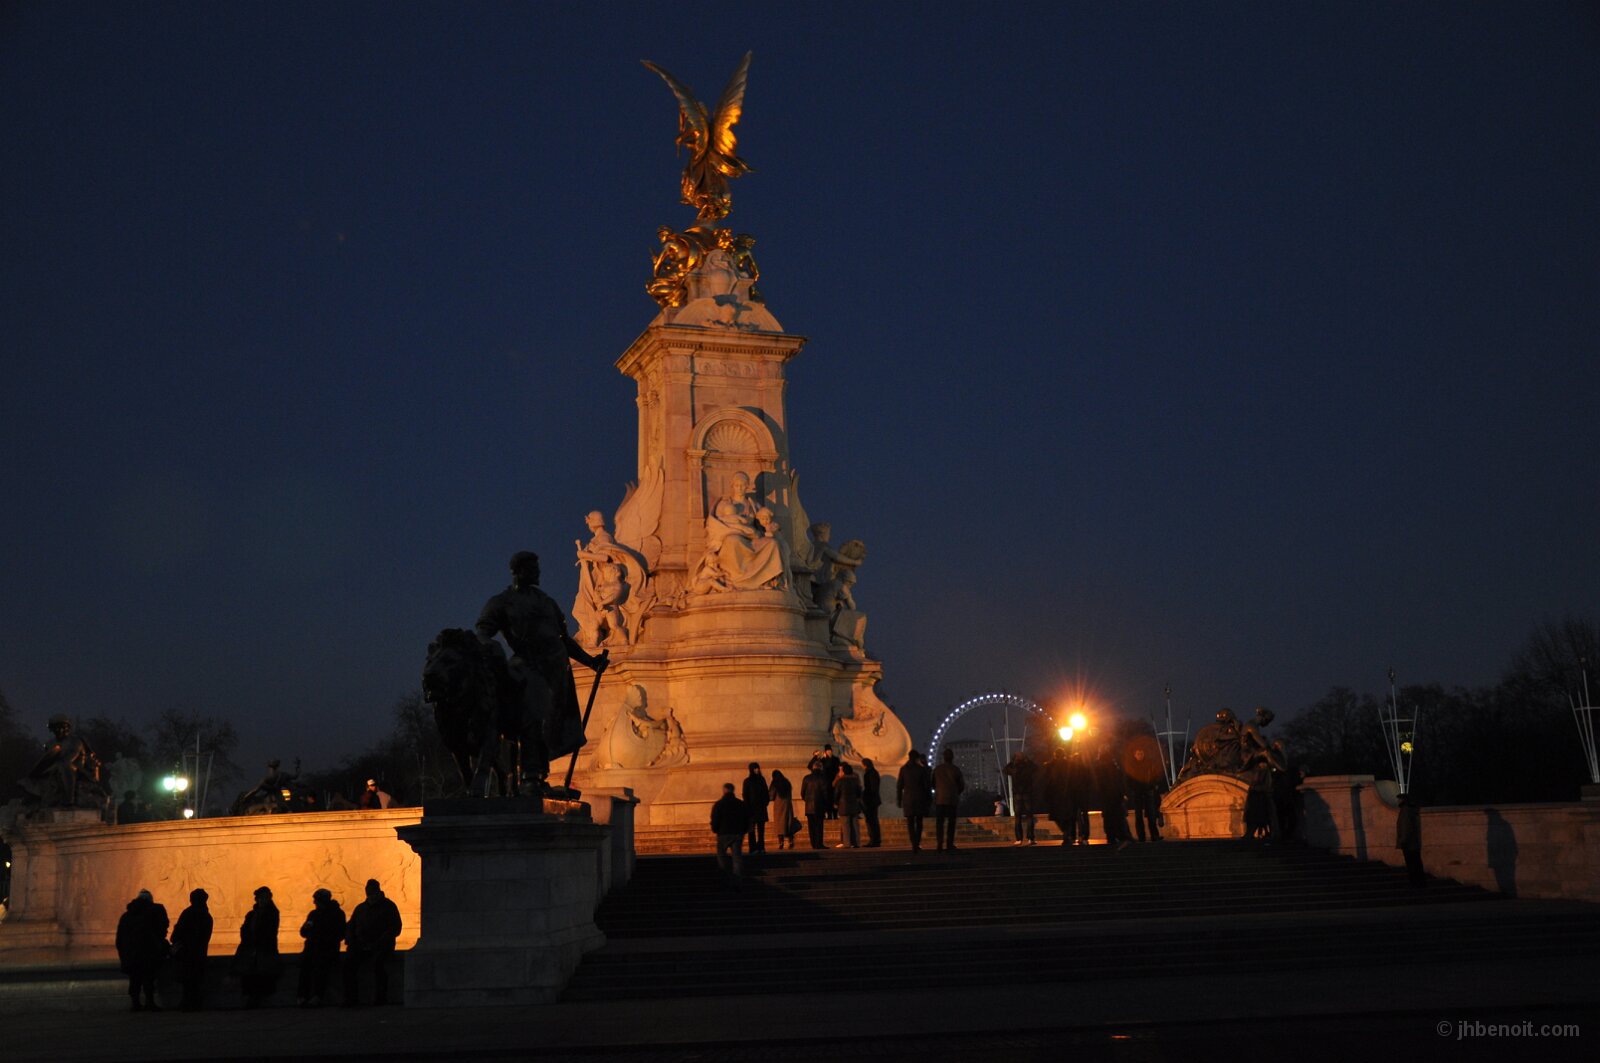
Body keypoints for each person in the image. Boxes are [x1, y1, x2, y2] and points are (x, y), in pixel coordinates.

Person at [476, 551, 609, 788]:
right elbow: (483, 633)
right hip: (528, 666)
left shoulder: (547, 602)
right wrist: (492, 651)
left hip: (557, 672)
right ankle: (529, 775)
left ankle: (538, 776)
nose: (538, 573)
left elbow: (564, 640)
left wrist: (591, 662)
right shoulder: (502, 602)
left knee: (551, 726)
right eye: (533, 569)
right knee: (533, 717)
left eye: (537, 568)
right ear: (518, 571)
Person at [344, 878, 402, 1006]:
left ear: (379, 892)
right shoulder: (361, 908)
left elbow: (395, 928)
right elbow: (351, 926)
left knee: (379, 965)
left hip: (382, 946)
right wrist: (352, 941)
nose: (371, 896)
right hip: (362, 946)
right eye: (369, 893)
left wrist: (379, 942)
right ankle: (351, 998)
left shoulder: (389, 906)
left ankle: (380, 998)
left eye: (373, 893)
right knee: (349, 964)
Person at [115, 889, 169, 1011]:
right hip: (148, 952)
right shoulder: (155, 912)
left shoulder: (126, 916)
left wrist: (124, 953)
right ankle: (150, 1002)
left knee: (134, 979)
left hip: (131, 954)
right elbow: (162, 928)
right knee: (148, 978)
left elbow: (120, 938)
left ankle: (135, 1004)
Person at [297, 888, 347, 1007]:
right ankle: (303, 996)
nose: (314, 902)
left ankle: (317, 996)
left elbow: (341, 933)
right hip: (311, 948)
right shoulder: (313, 914)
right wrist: (308, 929)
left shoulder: (337, 914)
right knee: (305, 969)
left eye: (316, 900)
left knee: (321, 970)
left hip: (327, 949)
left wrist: (325, 939)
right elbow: (303, 932)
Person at [235, 885, 280, 1007]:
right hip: (253, 948)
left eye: (265, 897)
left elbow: (269, 931)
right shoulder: (252, 914)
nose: (263, 900)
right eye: (261, 897)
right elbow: (245, 929)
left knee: (261, 974)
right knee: (251, 973)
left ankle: (257, 998)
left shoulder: (271, 913)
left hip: (264, 948)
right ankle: (251, 997)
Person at [170, 887, 213, 1011]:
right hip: (199, 953)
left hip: (187, 953)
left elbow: (177, 933)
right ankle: (196, 1003)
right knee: (197, 980)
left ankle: (187, 1003)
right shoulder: (207, 916)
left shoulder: (188, 913)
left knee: (188, 980)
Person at [1094, 745, 1133, 848]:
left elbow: (1098, 783)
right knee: (1118, 816)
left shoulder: (1099, 767)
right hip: (1115, 796)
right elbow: (1119, 781)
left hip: (1106, 797)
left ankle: (1111, 836)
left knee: (1108, 817)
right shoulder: (1114, 766)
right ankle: (1122, 835)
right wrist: (1121, 793)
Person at [710, 782, 749, 878]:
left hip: (723, 833)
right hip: (737, 833)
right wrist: (743, 830)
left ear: (724, 790)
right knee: (737, 857)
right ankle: (737, 878)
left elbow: (715, 819)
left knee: (721, 856)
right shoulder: (740, 804)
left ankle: (724, 875)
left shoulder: (719, 804)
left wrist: (715, 830)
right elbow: (746, 818)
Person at [897, 750, 933, 852]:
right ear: (917, 758)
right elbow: (927, 786)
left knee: (910, 823)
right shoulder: (921, 770)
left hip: (908, 799)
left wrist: (899, 799)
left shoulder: (903, 769)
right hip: (920, 798)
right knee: (919, 822)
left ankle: (913, 843)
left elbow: (899, 786)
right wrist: (929, 799)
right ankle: (917, 842)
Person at [932, 747, 965, 851]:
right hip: (952, 799)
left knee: (940, 823)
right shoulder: (956, 769)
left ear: (943, 757)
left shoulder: (937, 769)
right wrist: (956, 793)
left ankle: (939, 843)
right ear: (952, 757)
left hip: (940, 799)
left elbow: (932, 783)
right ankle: (949, 844)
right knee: (951, 823)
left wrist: (938, 790)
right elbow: (961, 785)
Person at [1003, 750, 1038, 845]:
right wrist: (1028, 760)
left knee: (1018, 817)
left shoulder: (1014, 768)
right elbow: (1035, 768)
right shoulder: (1028, 767)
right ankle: (1030, 838)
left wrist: (1012, 761)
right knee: (1029, 816)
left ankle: (1019, 838)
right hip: (1027, 793)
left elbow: (1005, 769)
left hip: (1017, 794)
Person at [1396, 793, 1426, 888]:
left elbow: (1405, 827)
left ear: (1403, 800)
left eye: (1399, 799)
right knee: (1416, 862)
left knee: (1411, 863)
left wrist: (1403, 840)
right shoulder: (1412, 810)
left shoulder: (1405, 811)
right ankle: (1420, 882)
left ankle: (1415, 882)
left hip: (1408, 843)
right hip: (1414, 842)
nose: (1397, 801)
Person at [741, 763, 770, 853]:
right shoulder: (747, 781)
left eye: (757, 768)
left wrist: (765, 803)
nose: (757, 770)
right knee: (751, 831)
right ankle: (753, 848)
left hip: (760, 808)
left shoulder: (762, 780)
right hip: (752, 810)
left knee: (761, 831)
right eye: (755, 768)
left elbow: (766, 793)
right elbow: (745, 795)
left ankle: (761, 847)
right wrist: (748, 807)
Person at [833, 763, 863, 848]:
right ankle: (856, 842)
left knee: (845, 825)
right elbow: (859, 792)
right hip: (854, 804)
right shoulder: (855, 780)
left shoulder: (841, 780)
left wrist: (835, 802)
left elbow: (837, 793)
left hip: (844, 805)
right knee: (855, 825)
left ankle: (847, 843)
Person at [801, 765, 829, 849]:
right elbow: (825, 793)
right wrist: (826, 804)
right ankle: (819, 843)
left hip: (809, 807)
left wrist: (807, 800)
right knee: (819, 826)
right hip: (819, 806)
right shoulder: (823, 778)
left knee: (811, 827)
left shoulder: (806, 778)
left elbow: (802, 793)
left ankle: (813, 843)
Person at [768, 769, 796, 850]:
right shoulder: (787, 782)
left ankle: (781, 843)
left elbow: (771, 796)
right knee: (788, 824)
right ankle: (791, 841)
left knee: (779, 825)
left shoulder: (774, 784)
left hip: (779, 806)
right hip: (787, 805)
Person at [860, 758, 882, 847]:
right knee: (873, 821)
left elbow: (871, 788)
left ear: (865, 765)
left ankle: (874, 840)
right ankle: (875, 840)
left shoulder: (869, 773)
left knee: (871, 821)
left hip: (870, 800)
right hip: (873, 799)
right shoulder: (873, 772)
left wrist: (864, 794)